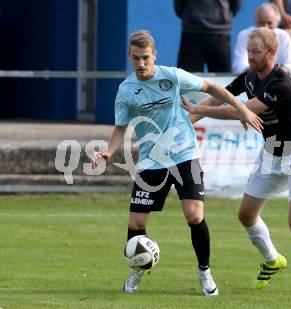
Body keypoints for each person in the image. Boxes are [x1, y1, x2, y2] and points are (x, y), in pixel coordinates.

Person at [91, 30, 263, 296]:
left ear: (154, 55)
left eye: (146, 57)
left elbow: (213, 88)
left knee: (194, 215)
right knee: (136, 223)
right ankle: (137, 268)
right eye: (136, 58)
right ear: (129, 57)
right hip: (151, 162)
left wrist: (242, 109)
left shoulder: (171, 76)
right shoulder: (126, 90)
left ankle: (205, 272)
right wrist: (108, 152)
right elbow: (120, 128)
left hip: (185, 155)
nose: (141, 63)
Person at [182, 27, 291, 293]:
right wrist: (190, 120)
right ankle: (273, 260)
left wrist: (200, 109)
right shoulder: (249, 76)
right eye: (248, 51)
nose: (250, 57)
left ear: (272, 52)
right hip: (271, 154)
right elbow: (222, 95)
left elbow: (242, 111)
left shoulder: (281, 83)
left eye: (256, 52)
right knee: (246, 215)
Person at [173, 0, 242, 73]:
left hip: (220, 35)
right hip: (191, 34)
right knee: (186, 80)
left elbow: (236, 3)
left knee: (223, 81)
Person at [233, 3, 291, 75]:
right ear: (256, 21)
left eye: (270, 23)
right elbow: (239, 66)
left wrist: (274, 72)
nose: (265, 27)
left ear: (277, 23)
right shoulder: (244, 35)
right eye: (261, 22)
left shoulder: (283, 36)